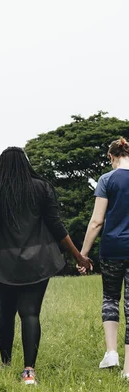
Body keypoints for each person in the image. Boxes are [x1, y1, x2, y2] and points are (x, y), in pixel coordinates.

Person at [0, 147, 92, 385]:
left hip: (2, 263)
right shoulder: (41, 188)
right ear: (26, 163)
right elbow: (57, 226)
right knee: (31, 313)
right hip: (38, 261)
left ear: (2, 165)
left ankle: (5, 364)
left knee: (5, 312)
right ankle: (29, 371)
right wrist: (78, 256)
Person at [79, 137, 129, 378]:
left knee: (110, 297)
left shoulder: (107, 180)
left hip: (112, 249)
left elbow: (97, 220)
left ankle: (111, 353)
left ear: (111, 157)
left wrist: (83, 254)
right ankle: (128, 370)